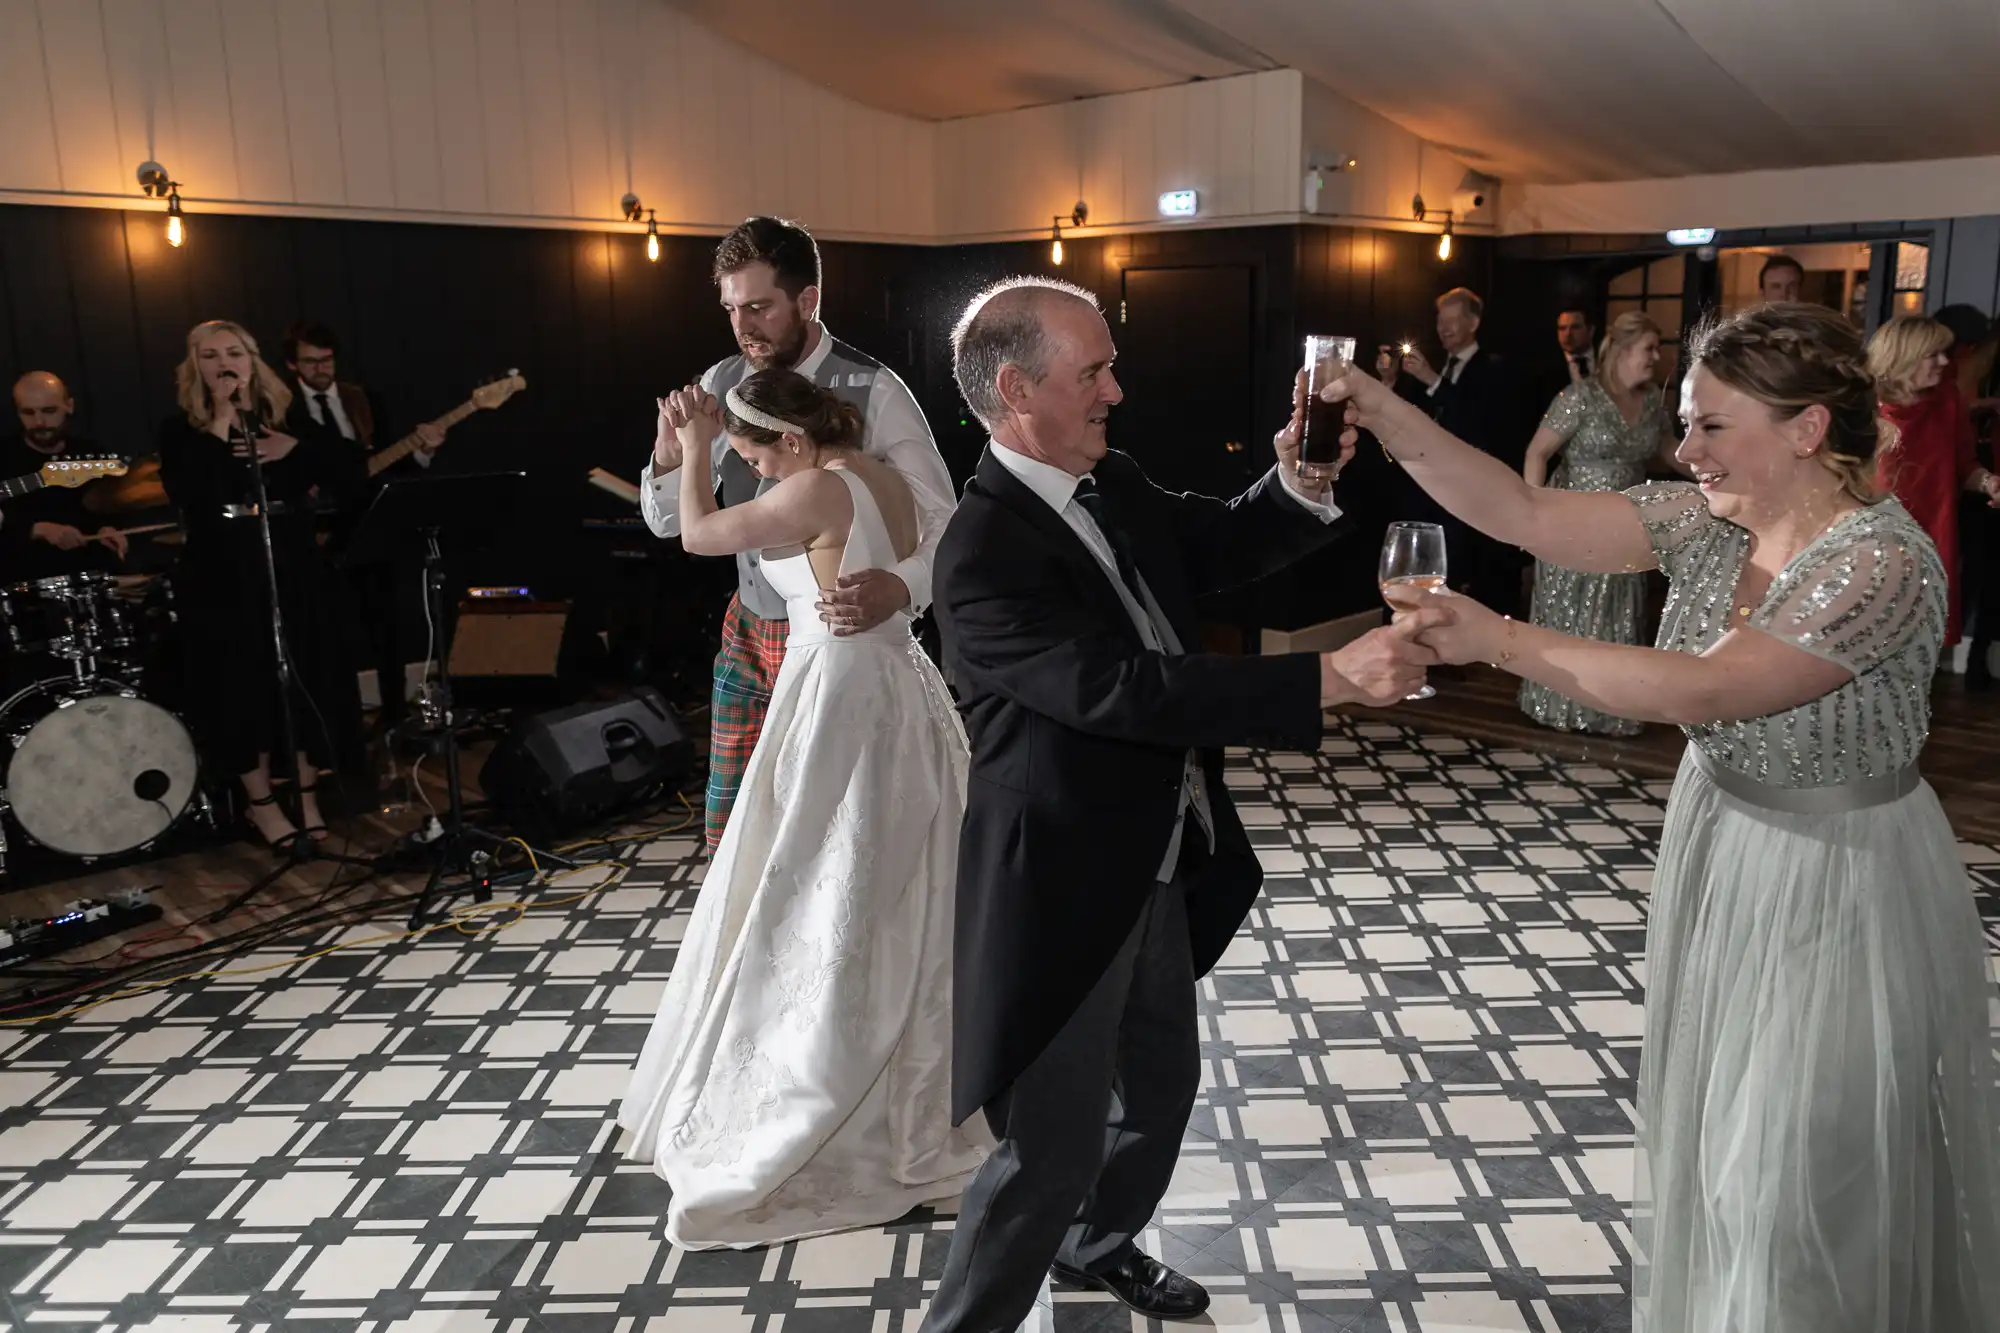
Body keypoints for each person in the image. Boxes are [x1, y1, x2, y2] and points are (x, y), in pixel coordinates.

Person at [1322, 302, 2000, 1332]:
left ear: (1807, 430)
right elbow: (1519, 511)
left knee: (1802, 1164)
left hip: (1836, 871)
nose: (1681, 450)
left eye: (1710, 426)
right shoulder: (1704, 518)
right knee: (1726, 1136)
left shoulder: (1878, 561)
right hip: (1723, 836)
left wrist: (1497, 639)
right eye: (1683, 422)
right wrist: (1374, 406)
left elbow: (1704, 691)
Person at [920, 277, 1442, 1332]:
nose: (1116, 388)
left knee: (1158, 1088)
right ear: (1016, 388)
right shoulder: (979, 554)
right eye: (1093, 371)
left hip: (1158, 855)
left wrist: (1294, 483)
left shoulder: (1106, 481)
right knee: (1047, 1147)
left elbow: (1212, 544)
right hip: (1061, 883)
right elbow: (1121, 692)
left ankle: (1096, 1245)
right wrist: (1327, 681)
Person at [618, 368, 989, 1248]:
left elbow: (701, 535)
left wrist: (701, 438)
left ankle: (827, 1083)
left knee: (826, 887)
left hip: (839, 693)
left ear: (790, 440)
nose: (751, 469)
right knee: (905, 880)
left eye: (754, 454)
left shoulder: (816, 485)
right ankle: (913, 1074)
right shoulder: (880, 475)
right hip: (900, 682)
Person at [638, 217, 952, 850]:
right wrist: (670, 462)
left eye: (759, 306)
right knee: (732, 834)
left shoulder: (875, 389)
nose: (742, 327)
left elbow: (944, 519)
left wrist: (901, 586)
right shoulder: (719, 384)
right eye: (730, 308)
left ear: (807, 300)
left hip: (841, 636)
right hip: (747, 630)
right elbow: (669, 522)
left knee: (822, 840)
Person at [158, 320, 365, 852]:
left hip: (291, 558)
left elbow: (351, 467)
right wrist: (222, 418)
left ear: (253, 361)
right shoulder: (182, 429)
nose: (223, 363)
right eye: (210, 356)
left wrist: (292, 450)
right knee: (243, 687)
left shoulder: (286, 415)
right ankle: (262, 806)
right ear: (195, 367)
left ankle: (308, 797)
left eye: (234, 353)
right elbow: (188, 489)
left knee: (301, 679)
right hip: (225, 567)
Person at [283, 321, 445, 738]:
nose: (320, 367)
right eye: (310, 361)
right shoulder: (284, 409)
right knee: (329, 633)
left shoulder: (364, 401)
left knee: (387, 626)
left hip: (371, 525)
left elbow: (394, 459)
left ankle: (395, 718)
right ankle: (340, 728)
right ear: (291, 365)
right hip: (318, 533)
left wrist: (424, 450)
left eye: (326, 359)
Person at [1518, 312, 1674, 736]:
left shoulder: (1653, 402)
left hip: (1628, 525)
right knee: (1571, 613)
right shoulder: (1579, 397)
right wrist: (1535, 518)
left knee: (1619, 612)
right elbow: (1537, 453)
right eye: (1650, 348)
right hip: (1573, 522)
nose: (1656, 357)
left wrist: (1718, 469)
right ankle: (1560, 706)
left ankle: (1613, 709)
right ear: (1623, 351)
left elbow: (1668, 451)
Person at [1867, 315, 2000, 648]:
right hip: (1872, 546)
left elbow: (1964, 466)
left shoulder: (1947, 399)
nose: (1945, 362)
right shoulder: (1862, 408)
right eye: (1935, 354)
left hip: (1931, 540)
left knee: (1918, 648)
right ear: (1904, 355)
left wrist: (1988, 483)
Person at [1398, 287, 1530, 611]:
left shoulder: (1494, 369)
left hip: (1473, 493)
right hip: (1430, 490)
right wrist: (1392, 380)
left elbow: (1476, 424)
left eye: (1453, 321)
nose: (1444, 328)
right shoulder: (1437, 369)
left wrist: (1432, 379)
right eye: (1441, 321)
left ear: (1473, 324)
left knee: (1472, 581)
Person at [0, 372, 129, 579]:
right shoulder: (4, 456)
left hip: (91, 576)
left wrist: (109, 529)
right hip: (24, 583)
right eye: (28, 413)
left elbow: (112, 509)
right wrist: (36, 529)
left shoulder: (91, 454)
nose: (39, 422)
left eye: (49, 411)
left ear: (69, 405)